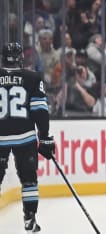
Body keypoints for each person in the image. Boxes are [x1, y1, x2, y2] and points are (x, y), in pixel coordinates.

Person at [0, 42, 55, 233]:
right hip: (25, 137)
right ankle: (30, 219)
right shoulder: (32, 77)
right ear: (20, 57)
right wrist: (45, 136)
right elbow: (40, 110)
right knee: (29, 180)